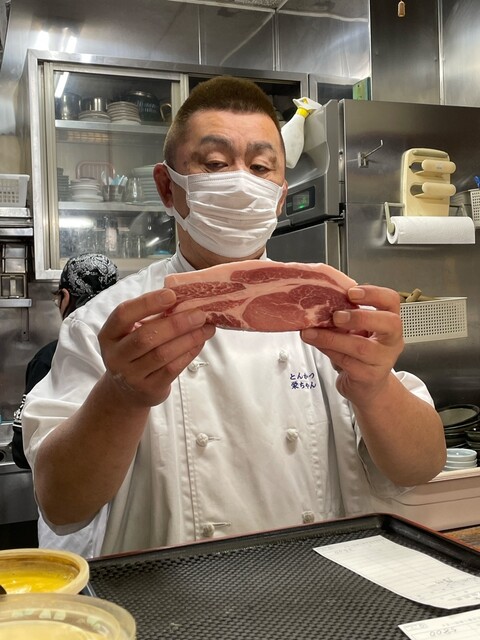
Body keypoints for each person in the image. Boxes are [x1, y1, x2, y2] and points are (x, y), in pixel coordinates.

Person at [22, 76, 446, 558]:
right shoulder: (108, 323)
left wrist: (374, 387)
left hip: (317, 589)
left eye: (261, 167)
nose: (242, 182)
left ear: (280, 196)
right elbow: (61, 506)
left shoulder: (332, 309)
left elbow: (421, 467)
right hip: (169, 596)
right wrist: (121, 396)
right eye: (216, 163)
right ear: (167, 187)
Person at [12, 253, 118, 469]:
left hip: (66, 484)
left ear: (66, 297)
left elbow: (22, 451)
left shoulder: (49, 358)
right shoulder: (133, 350)